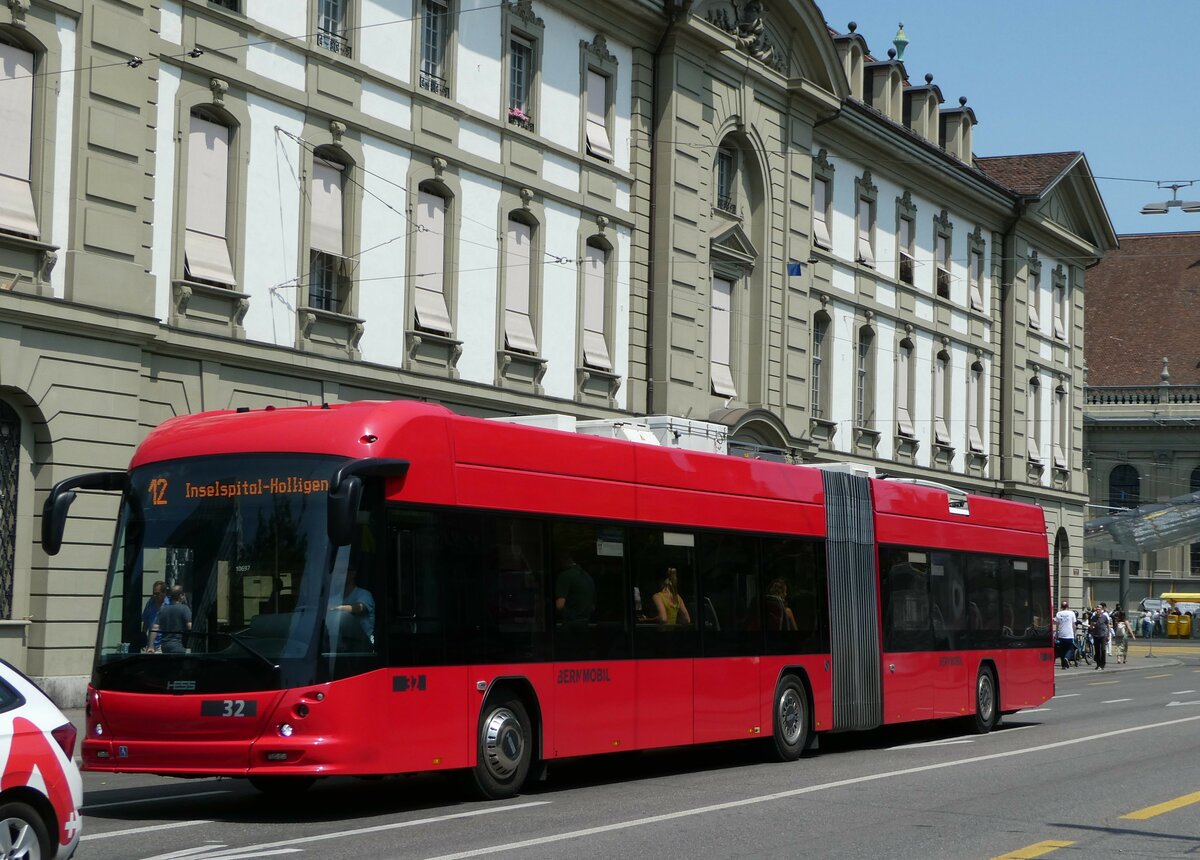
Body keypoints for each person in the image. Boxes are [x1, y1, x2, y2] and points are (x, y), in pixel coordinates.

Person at [329, 565, 375, 644]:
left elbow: (359, 607)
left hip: (363, 647)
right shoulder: (332, 599)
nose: (337, 575)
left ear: (352, 574)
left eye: (341, 571)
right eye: (335, 571)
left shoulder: (364, 594)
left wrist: (337, 608)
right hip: (338, 648)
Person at [554, 551, 594, 627]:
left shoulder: (565, 575)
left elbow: (560, 605)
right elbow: (593, 606)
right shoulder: (588, 576)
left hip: (571, 623)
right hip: (586, 622)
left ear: (562, 560)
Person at [150, 585, 191, 654]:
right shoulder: (185, 608)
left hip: (164, 646)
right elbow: (189, 626)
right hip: (179, 645)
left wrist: (151, 646)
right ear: (181, 595)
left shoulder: (163, 609)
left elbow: (155, 627)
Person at [141, 580, 169, 652]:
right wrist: (143, 637)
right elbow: (146, 621)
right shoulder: (150, 603)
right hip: (151, 644)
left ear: (164, 593)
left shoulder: (169, 605)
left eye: (157, 594)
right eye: (153, 593)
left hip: (164, 643)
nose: (154, 596)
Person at [1053, 600, 1076, 670]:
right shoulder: (1072, 613)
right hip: (1069, 634)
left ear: (1061, 607)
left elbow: (1057, 625)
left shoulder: (1058, 614)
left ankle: (1064, 665)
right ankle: (1067, 658)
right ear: (1068, 606)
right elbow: (1073, 625)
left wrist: (1057, 633)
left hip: (1061, 634)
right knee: (1070, 648)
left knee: (1062, 650)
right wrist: (1074, 633)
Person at [1089, 604, 1110, 670]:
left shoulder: (1104, 617)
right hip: (1096, 635)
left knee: (1103, 650)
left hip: (1103, 635)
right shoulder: (1094, 617)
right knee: (1097, 650)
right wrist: (1092, 626)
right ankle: (1098, 664)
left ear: (1101, 610)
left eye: (1099, 609)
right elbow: (1091, 627)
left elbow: (1108, 626)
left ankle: (1102, 664)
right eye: (1096, 610)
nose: (1097, 611)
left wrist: (1108, 635)